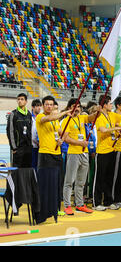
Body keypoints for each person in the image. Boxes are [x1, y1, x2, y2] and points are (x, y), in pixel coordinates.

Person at [34, 96, 72, 224]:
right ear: (43, 106)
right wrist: (66, 112)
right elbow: (50, 118)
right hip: (45, 156)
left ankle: (54, 211)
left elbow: (62, 133)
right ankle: (41, 214)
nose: (49, 106)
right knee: (44, 186)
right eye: (47, 104)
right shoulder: (40, 117)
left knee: (56, 185)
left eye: (51, 104)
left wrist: (62, 139)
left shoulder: (56, 121)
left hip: (57, 155)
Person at [61, 98, 97, 215]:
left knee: (81, 182)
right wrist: (80, 143)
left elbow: (93, 118)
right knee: (69, 181)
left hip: (84, 153)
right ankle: (67, 205)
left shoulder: (82, 118)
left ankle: (80, 204)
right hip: (73, 153)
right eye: (73, 106)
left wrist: (99, 111)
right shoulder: (67, 121)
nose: (76, 109)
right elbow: (65, 138)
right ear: (68, 108)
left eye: (78, 107)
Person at [93, 95, 121, 211]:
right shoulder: (99, 116)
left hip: (111, 150)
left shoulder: (112, 115)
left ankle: (108, 201)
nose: (112, 106)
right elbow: (103, 130)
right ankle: (96, 202)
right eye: (110, 103)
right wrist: (115, 129)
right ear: (104, 105)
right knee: (99, 178)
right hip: (102, 151)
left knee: (109, 178)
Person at [7, 93, 33, 168]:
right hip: (18, 147)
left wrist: (30, 145)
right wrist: (13, 147)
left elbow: (30, 130)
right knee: (16, 169)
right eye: (18, 99)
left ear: (26, 102)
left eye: (22, 99)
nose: (20, 101)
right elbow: (10, 131)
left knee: (27, 168)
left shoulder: (28, 114)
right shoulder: (13, 114)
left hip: (28, 147)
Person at [31, 99, 42, 170]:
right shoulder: (29, 117)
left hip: (40, 146)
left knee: (39, 165)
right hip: (32, 146)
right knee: (32, 165)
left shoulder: (41, 117)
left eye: (40, 106)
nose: (39, 108)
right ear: (33, 107)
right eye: (37, 106)